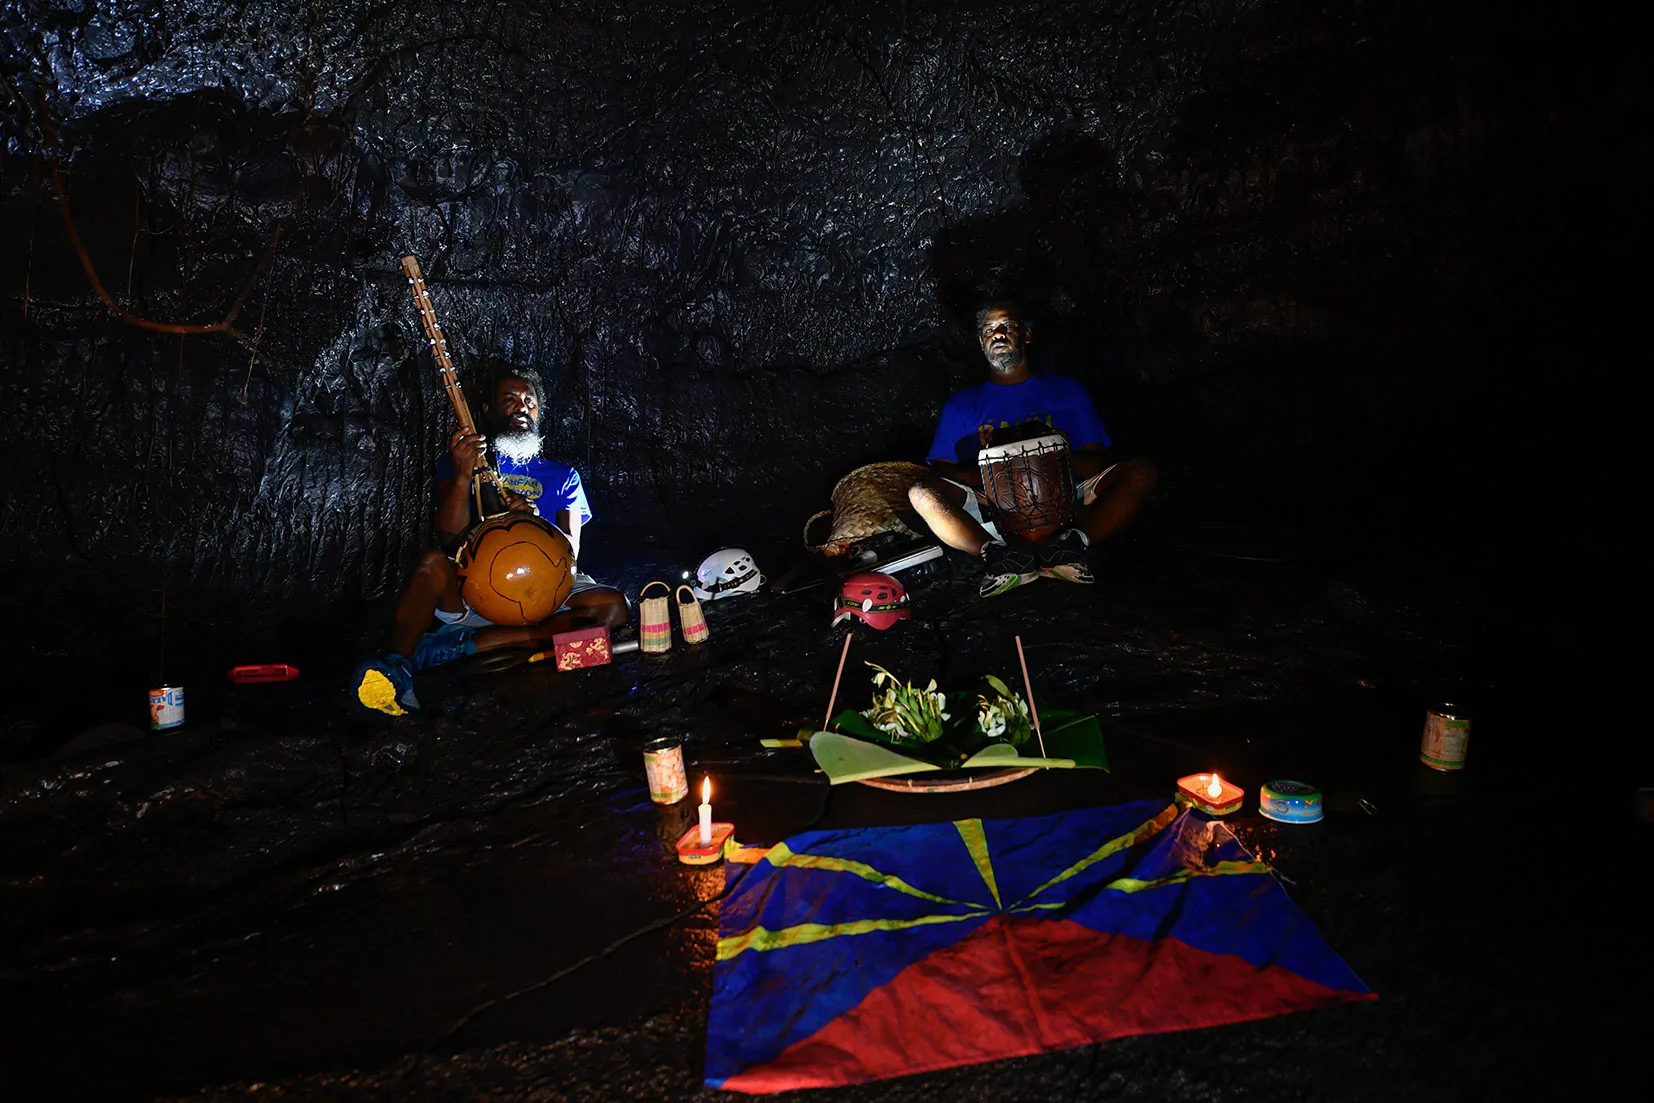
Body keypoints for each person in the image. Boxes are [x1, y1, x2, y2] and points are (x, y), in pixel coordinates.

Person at [352, 369, 628, 716]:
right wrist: (463, 473)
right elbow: (449, 537)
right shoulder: (463, 461)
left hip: (546, 593)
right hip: (479, 593)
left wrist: (533, 522)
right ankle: (398, 667)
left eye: (529, 402)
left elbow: (569, 555)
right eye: (509, 400)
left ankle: (468, 645)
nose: (521, 408)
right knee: (430, 564)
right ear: (488, 411)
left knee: (614, 607)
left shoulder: (563, 476)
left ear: (539, 413)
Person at [909, 300, 1157, 597]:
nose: (997, 334)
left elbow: (1096, 461)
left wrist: (1049, 456)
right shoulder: (962, 406)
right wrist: (996, 469)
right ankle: (1001, 556)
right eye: (989, 330)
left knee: (1142, 471)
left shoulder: (1066, 392)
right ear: (980, 342)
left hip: (1067, 499)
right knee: (921, 493)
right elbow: (940, 472)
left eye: (1007, 326)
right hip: (996, 508)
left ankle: (1071, 545)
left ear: (1026, 334)